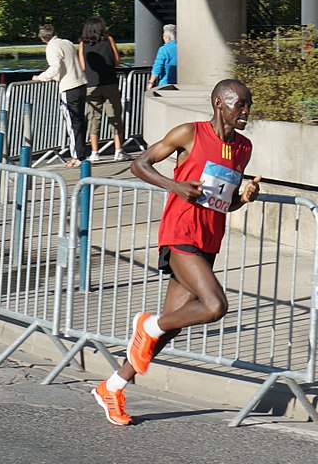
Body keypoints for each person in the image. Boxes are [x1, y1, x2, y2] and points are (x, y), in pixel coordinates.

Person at [91, 79, 261, 425]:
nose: (245, 111)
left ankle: (112, 386)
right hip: (180, 232)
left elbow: (222, 204)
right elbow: (140, 164)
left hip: (209, 239)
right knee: (214, 306)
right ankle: (147, 324)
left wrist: (243, 198)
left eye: (248, 105)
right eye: (239, 104)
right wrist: (175, 186)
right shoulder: (190, 133)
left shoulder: (243, 147)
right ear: (219, 104)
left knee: (170, 328)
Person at [32, 24, 87, 168]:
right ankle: (81, 154)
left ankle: (77, 157)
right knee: (80, 121)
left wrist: (41, 77)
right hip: (80, 83)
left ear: (43, 38)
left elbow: (55, 67)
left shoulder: (51, 47)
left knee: (72, 123)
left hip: (68, 87)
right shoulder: (67, 43)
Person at [79, 17, 130, 162]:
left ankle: (95, 152)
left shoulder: (83, 43)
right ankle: (118, 150)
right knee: (115, 116)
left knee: (93, 118)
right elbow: (117, 61)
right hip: (110, 82)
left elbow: (82, 66)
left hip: (91, 85)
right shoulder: (109, 39)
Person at [146, 24, 177, 91]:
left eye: (163, 35)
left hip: (166, 84)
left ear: (167, 37)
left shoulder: (164, 49)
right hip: (181, 84)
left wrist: (151, 82)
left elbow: (158, 66)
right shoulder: (183, 48)